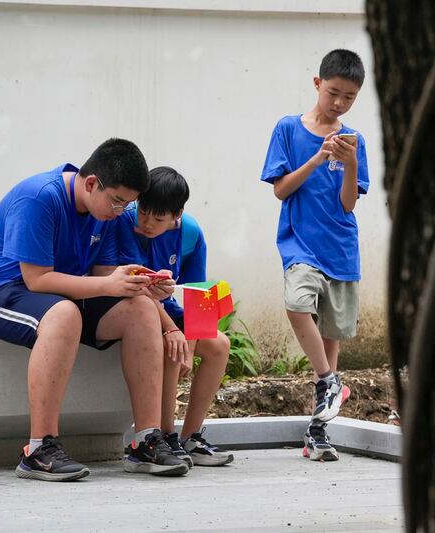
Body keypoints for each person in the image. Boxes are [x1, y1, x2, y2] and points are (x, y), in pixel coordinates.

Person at [0, 138, 189, 481]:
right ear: (92, 183)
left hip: (60, 291)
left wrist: (143, 283)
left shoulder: (106, 213)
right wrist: (110, 285)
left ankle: (145, 441)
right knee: (65, 314)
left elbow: (101, 276)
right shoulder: (39, 197)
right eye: (117, 201)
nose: (120, 211)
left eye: (127, 204)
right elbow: (36, 279)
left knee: (141, 308)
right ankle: (39, 449)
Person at [260, 49, 369, 461]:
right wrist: (318, 157)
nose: (339, 103)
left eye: (350, 97)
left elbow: (348, 205)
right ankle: (328, 380)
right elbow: (280, 189)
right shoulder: (288, 129)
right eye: (334, 92)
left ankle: (318, 432)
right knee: (296, 304)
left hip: (340, 247)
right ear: (317, 83)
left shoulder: (354, 141)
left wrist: (351, 162)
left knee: (330, 336)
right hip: (299, 245)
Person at [116, 166, 233, 467]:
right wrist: (175, 333)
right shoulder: (125, 223)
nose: (147, 223)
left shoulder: (190, 232)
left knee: (219, 345)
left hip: (169, 314)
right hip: (137, 314)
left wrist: (191, 345)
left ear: (176, 214)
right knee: (173, 345)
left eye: (158, 218)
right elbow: (135, 288)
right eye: (143, 212)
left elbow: (199, 292)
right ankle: (165, 435)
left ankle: (191, 437)